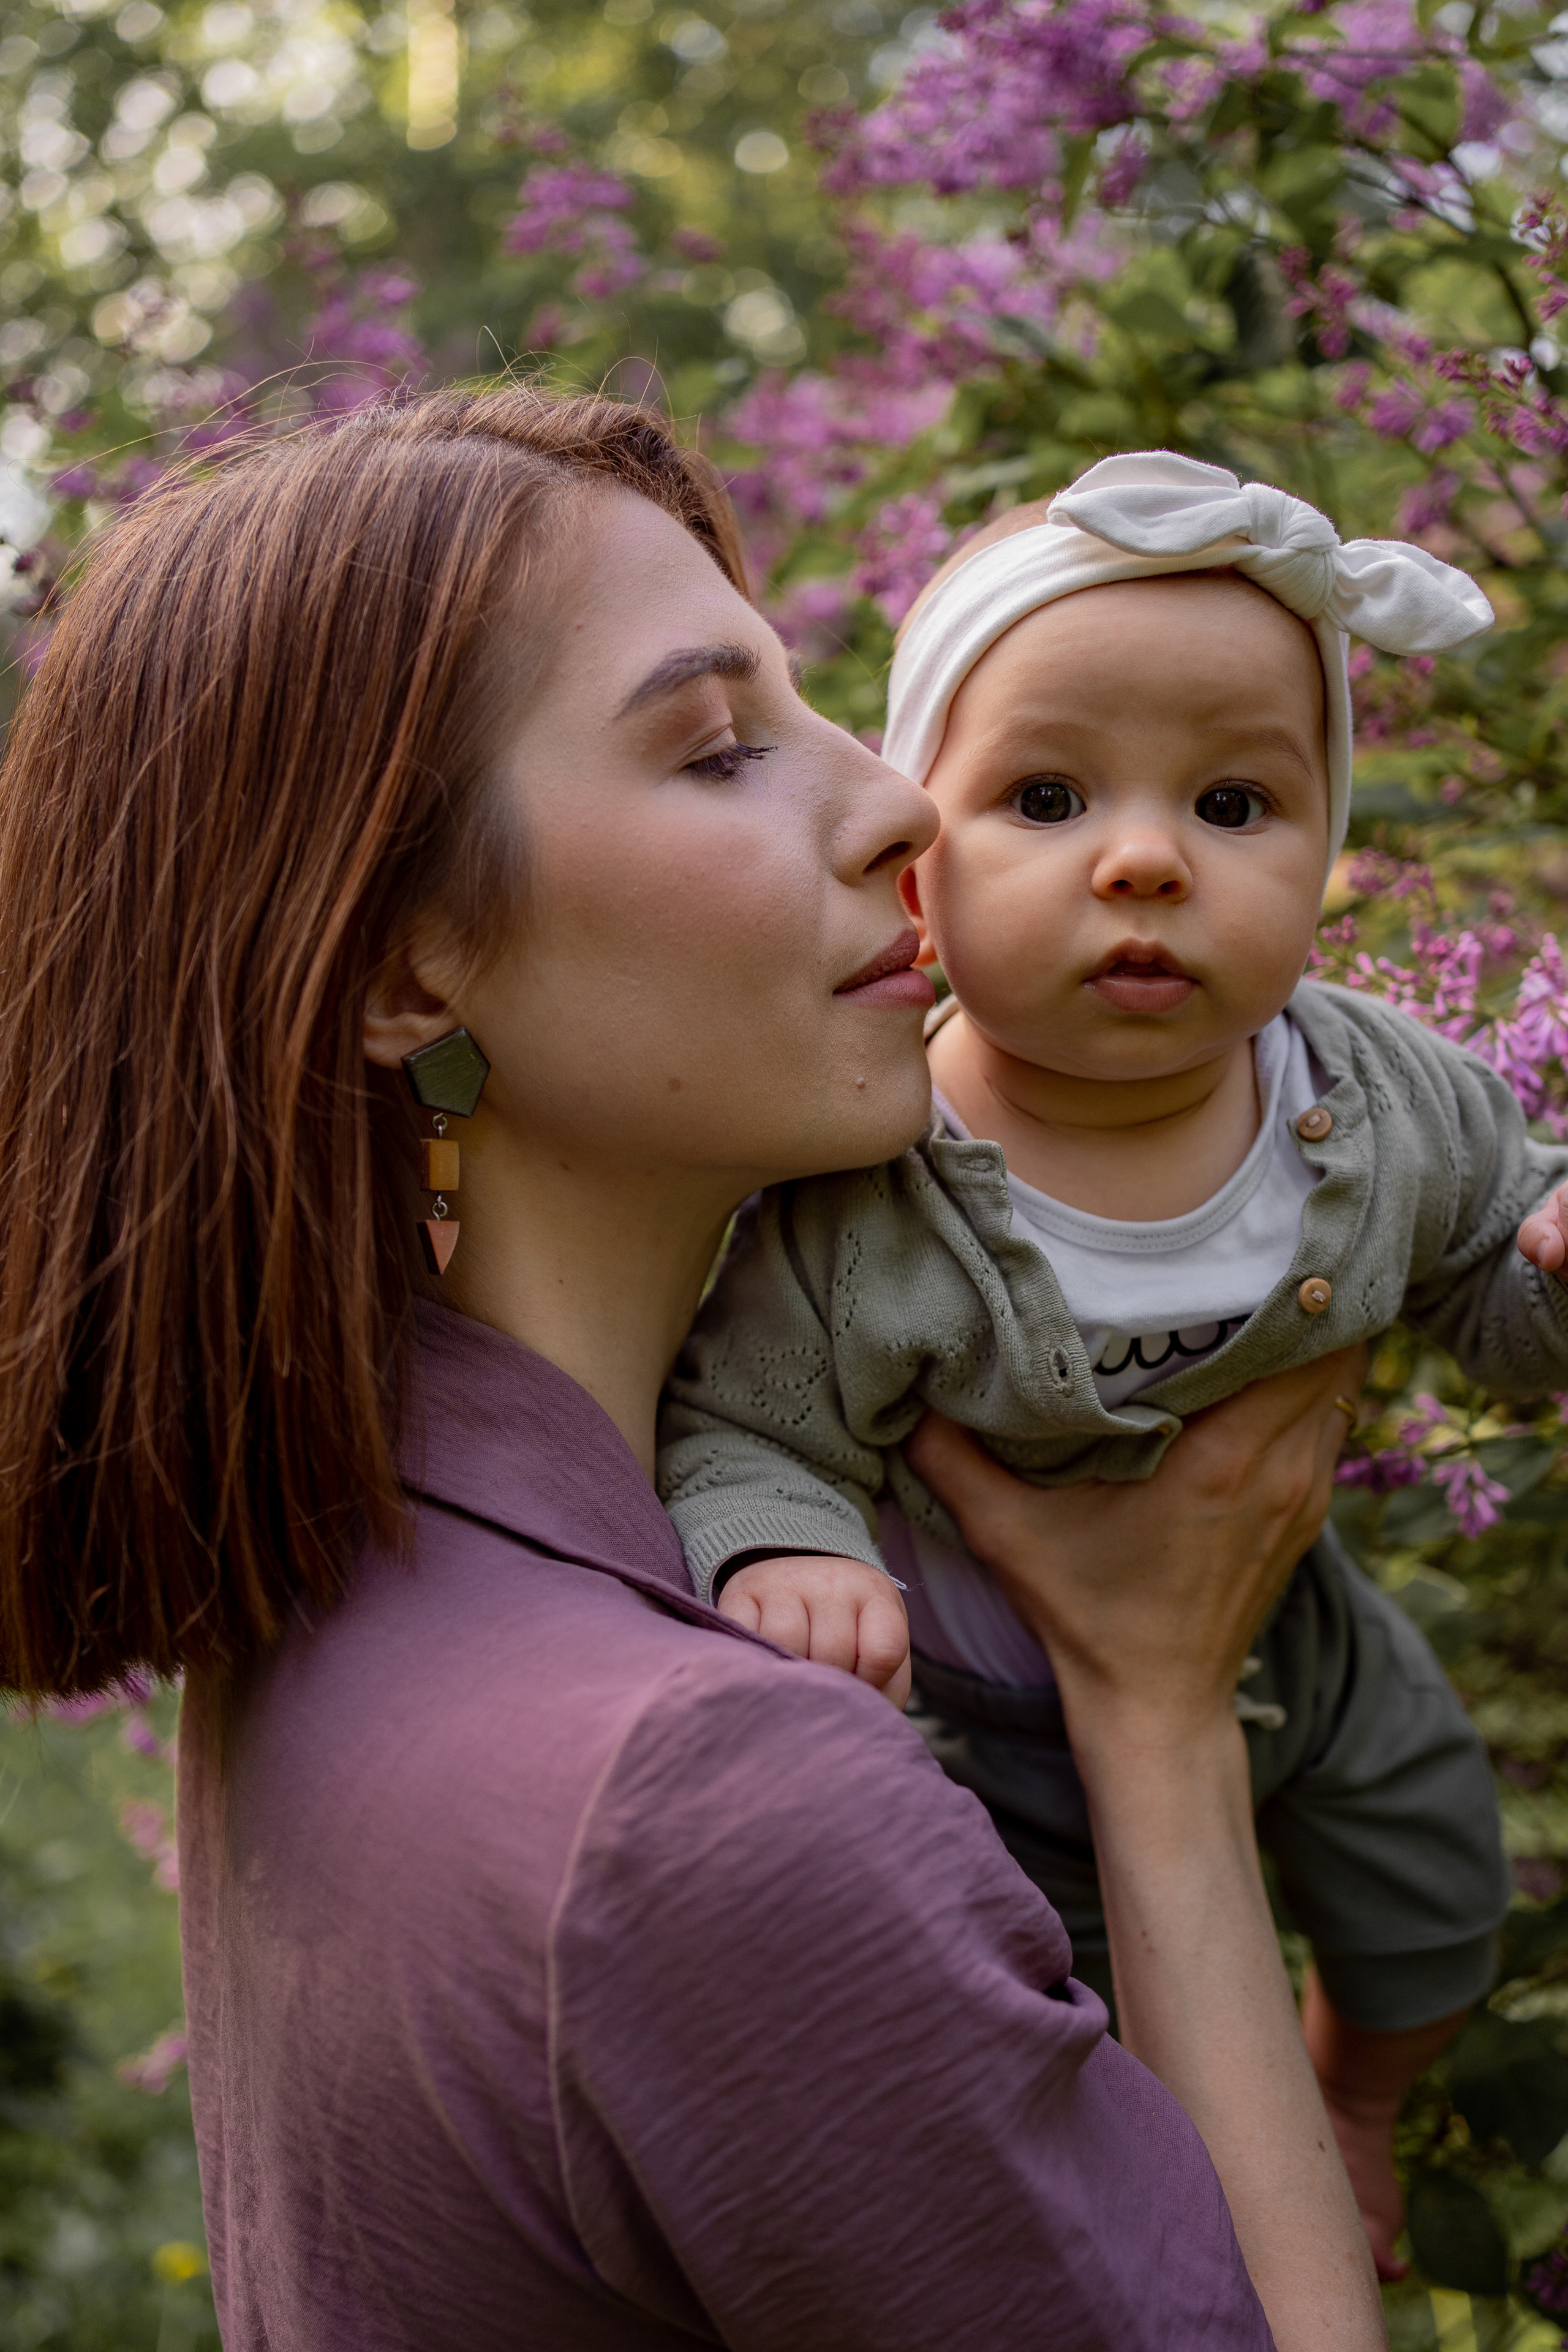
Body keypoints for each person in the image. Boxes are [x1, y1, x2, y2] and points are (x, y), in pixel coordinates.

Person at [0, 392, 1383, 2350]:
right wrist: (1158, 1730)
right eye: (720, 748)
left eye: (813, 708)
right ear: (408, 970)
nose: (901, 807)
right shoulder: (702, 1793)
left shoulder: (362, 1579)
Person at [658, 450, 1559, 2276]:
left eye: (1235, 802)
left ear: (1326, 854)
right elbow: (748, 1420)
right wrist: (786, 1549)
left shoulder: (1374, 1098)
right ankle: (1218, 2219)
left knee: (1440, 1901)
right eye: (1049, 795)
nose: (1144, 858)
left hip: (1295, 1623)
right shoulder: (873, 1179)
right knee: (1074, 2031)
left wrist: (1555, 1273)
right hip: (999, 1716)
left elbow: (1494, 1280)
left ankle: (1361, 2101)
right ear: (922, 864)